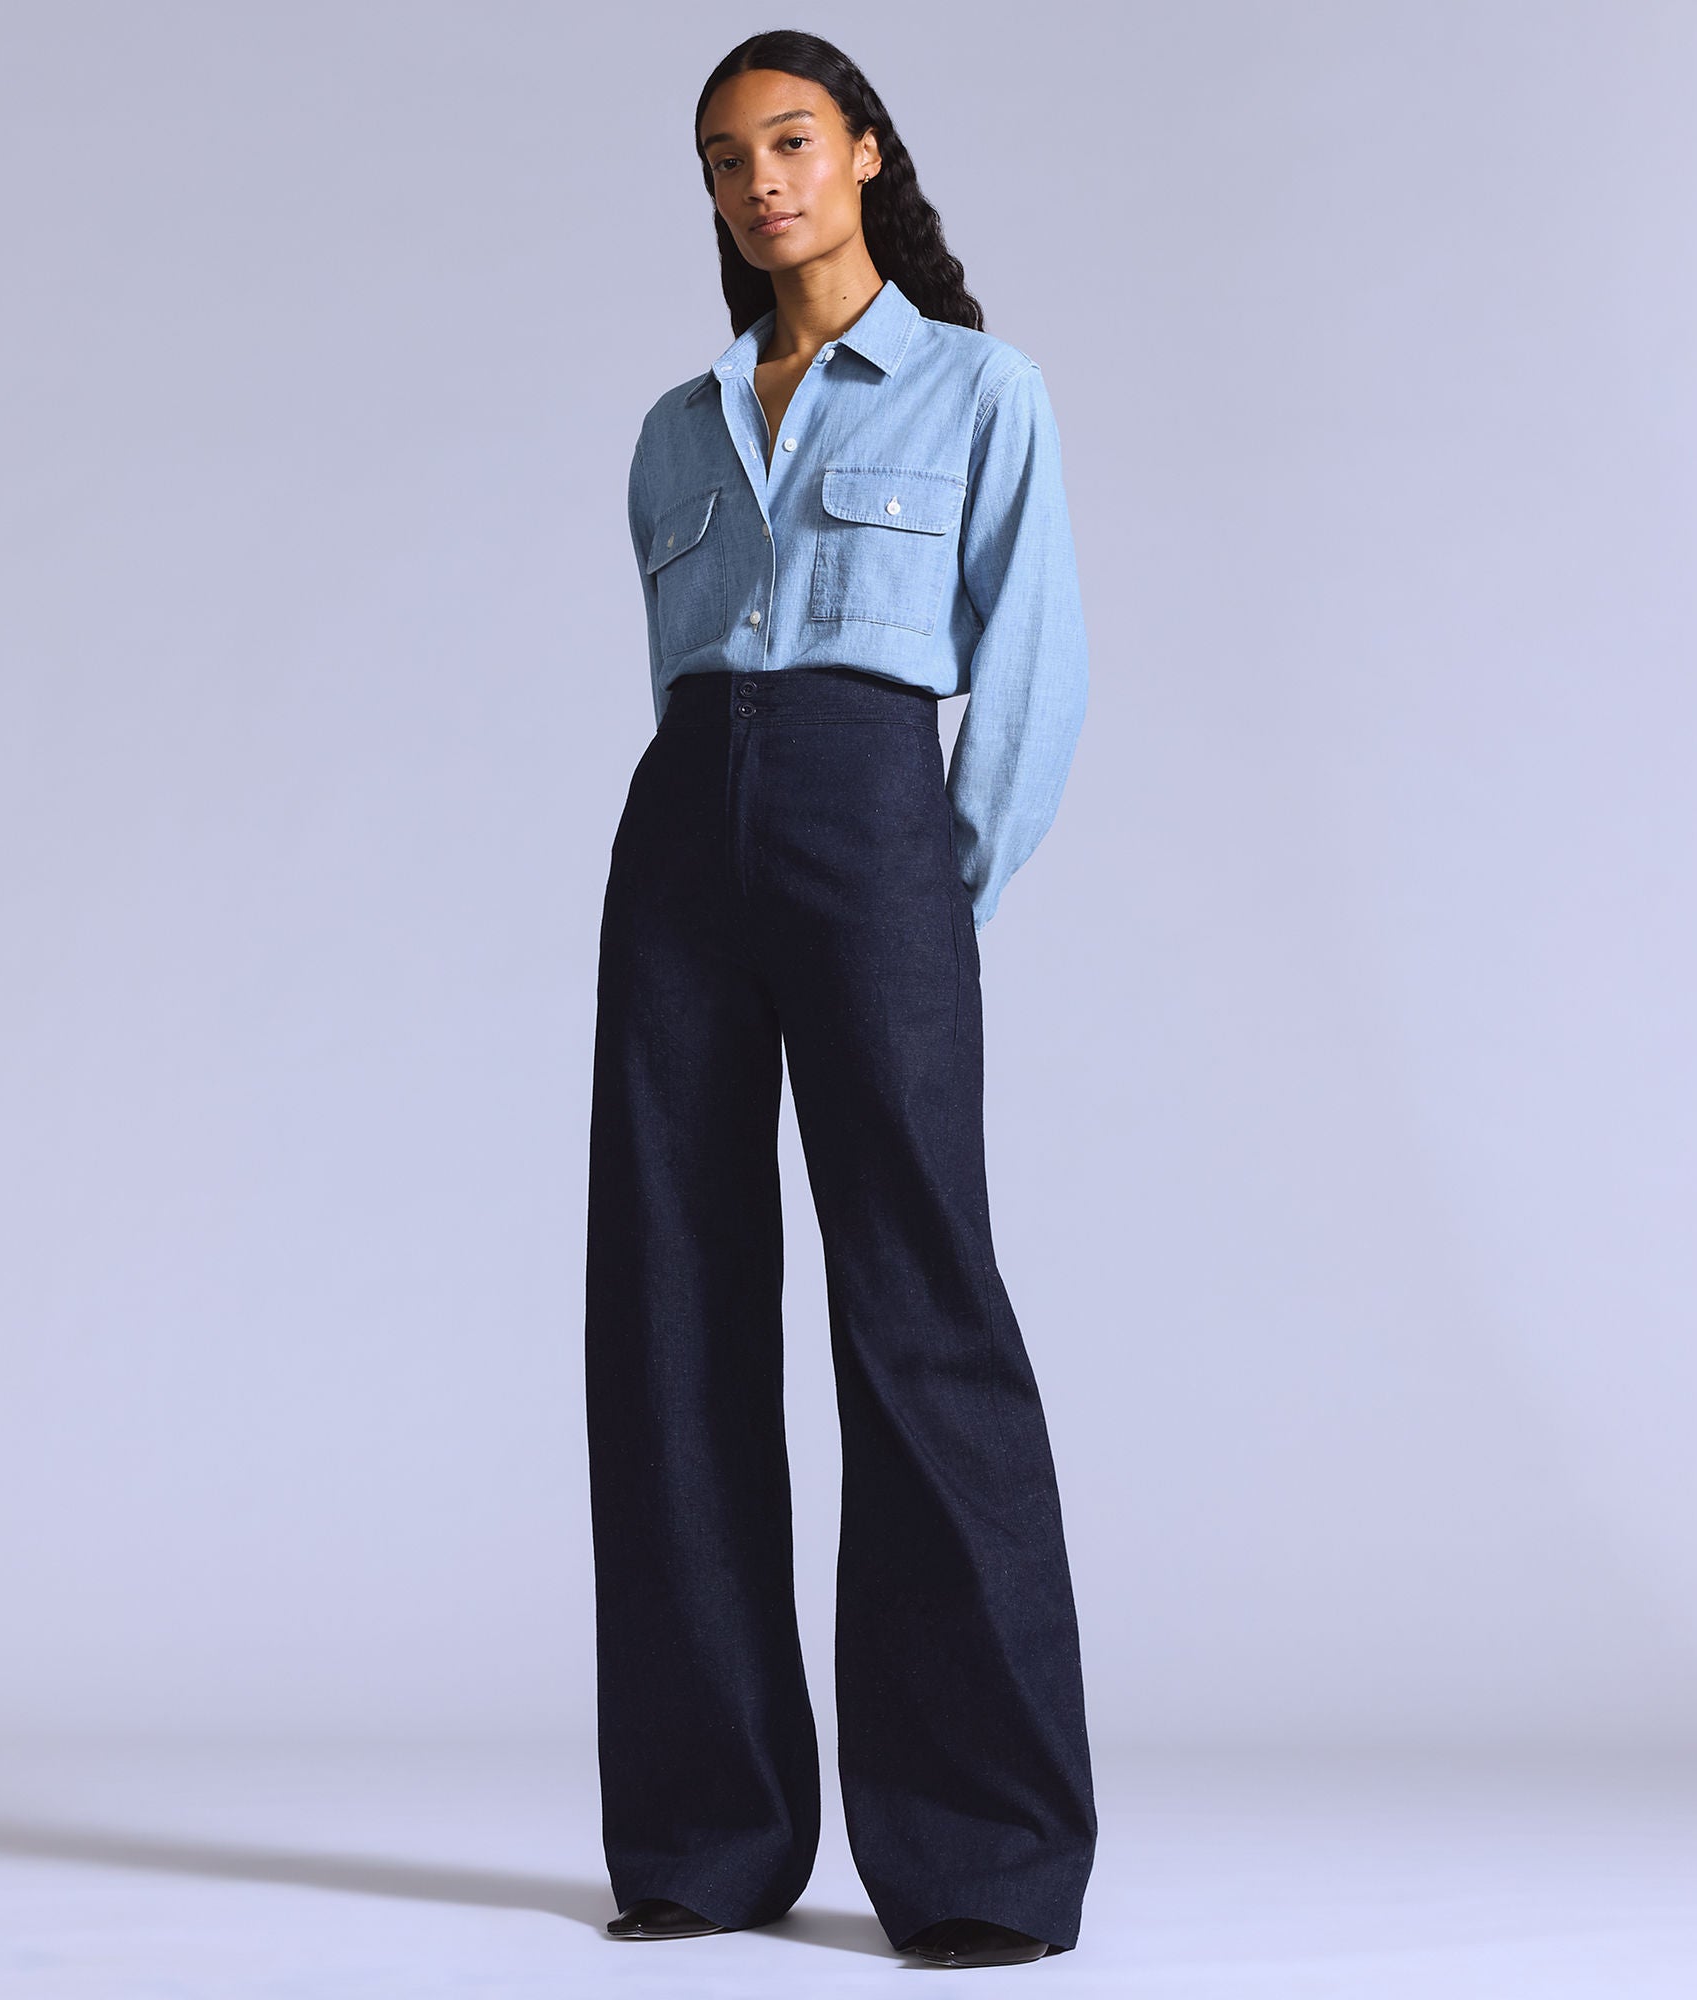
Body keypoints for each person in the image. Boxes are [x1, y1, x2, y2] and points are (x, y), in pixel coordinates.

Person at [584, 30, 1096, 1971]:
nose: (761, 184)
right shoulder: (677, 428)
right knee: (669, 1309)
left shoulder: (978, 388)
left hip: (872, 826)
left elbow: (1029, 670)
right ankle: (705, 1841)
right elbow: (682, 681)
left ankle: (981, 1855)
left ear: (866, 152)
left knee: (917, 1309)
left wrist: (926, 889)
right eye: (726, 160)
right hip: (682, 839)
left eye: (791, 142)